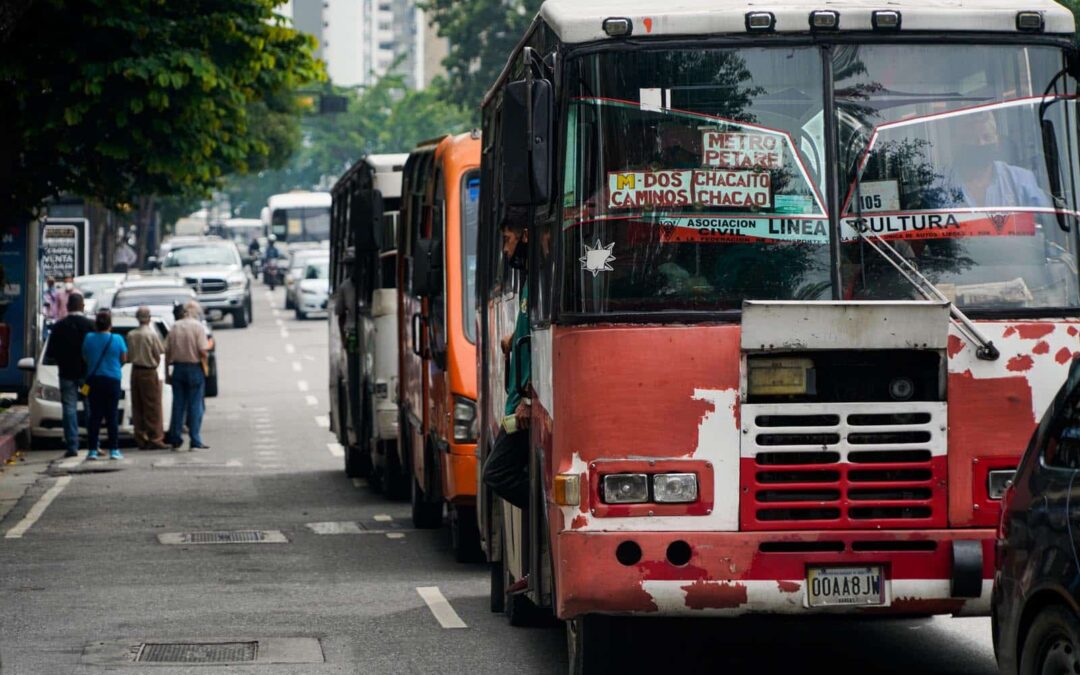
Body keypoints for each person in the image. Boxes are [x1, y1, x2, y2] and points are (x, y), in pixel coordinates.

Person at [481, 220, 531, 510]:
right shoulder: (530, 279)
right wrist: (514, 336)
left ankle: (546, 512)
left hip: (524, 407)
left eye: (507, 239)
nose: (505, 249)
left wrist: (528, 399)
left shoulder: (542, 279)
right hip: (517, 402)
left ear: (525, 236)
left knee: (497, 473)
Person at [938, 111, 1050, 209]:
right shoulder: (938, 185)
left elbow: (1046, 221)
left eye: (987, 137)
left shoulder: (1021, 180)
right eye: (971, 138)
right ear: (957, 143)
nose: (981, 143)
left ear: (997, 141)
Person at [44, 293, 95, 457]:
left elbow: (51, 353)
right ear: (83, 306)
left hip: (66, 375)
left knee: (69, 407)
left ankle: (72, 445)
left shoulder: (59, 327)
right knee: (89, 405)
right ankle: (93, 443)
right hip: (85, 377)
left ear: (67, 306)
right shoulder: (90, 325)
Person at [81, 309, 127, 461]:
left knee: (95, 415)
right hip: (112, 380)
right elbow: (124, 358)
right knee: (111, 415)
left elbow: (85, 356)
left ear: (96, 324)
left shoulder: (89, 338)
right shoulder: (117, 339)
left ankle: (92, 450)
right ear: (110, 325)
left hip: (94, 380)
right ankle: (114, 449)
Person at [165, 303, 210, 450]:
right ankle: (195, 439)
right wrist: (205, 361)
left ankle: (175, 438)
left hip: (178, 368)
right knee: (195, 405)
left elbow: (167, 351)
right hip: (194, 367)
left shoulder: (174, 327)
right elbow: (202, 350)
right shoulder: (198, 327)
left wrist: (167, 372)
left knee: (178, 405)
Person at [126, 306, 168, 449]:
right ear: (149, 318)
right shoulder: (151, 334)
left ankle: (140, 437)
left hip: (135, 371)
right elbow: (159, 353)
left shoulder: (131, 335)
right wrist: (155, 363)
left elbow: (129, 355)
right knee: (153, 406)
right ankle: (155, 438)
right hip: (149, 371)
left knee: (137, 405)